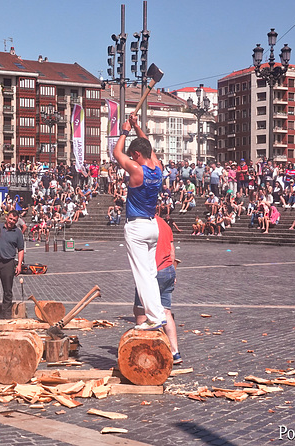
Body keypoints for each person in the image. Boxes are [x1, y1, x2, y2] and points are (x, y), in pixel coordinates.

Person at [113, 113, 166, 330]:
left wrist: (124, 130)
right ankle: (158, 312)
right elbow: (148, 147)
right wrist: (136, 126)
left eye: (133, 156)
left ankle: (154, 317)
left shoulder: (137, 169)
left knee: (142, 275)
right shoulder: (158, 167)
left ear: (135, 155)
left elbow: (116, 153)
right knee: (150, 273)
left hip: (136, 226)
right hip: (152, 225)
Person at [133, 216, 182, 364]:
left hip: (153, 271)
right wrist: (173, 271)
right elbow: (172, 251)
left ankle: (144, 354)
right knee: (166, 311)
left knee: (141, 310)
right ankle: (175, 352)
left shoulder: (143, 224)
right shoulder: (165, 224)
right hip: (168, 269)